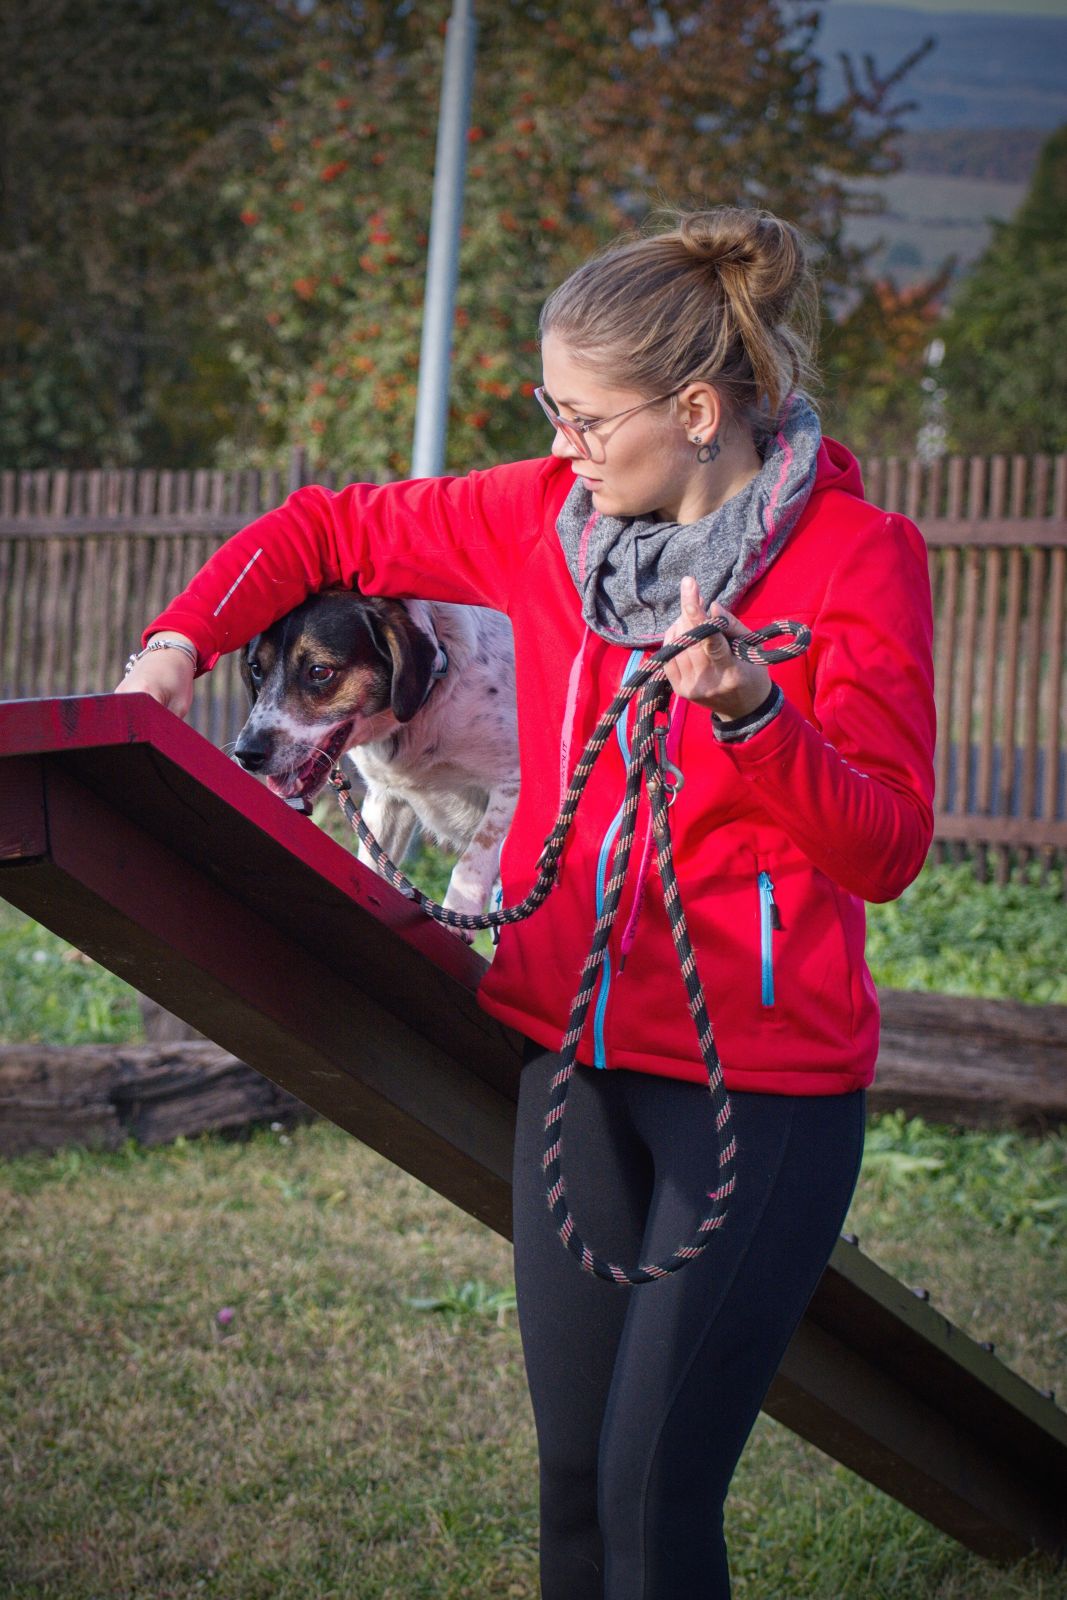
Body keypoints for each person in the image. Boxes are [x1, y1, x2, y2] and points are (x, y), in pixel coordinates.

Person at [117, 206, 935, 1599]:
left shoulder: (860, 559)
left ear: (694, 412)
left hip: (758, 1089)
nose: (562, 446)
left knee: (649, 1497)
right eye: (550, 411)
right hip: (571, 1072)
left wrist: (753, 712)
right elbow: (324, 527)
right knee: (570, 1495)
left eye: (585, 417)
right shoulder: (539, 522)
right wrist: (174, 649)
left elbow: (888, 846)